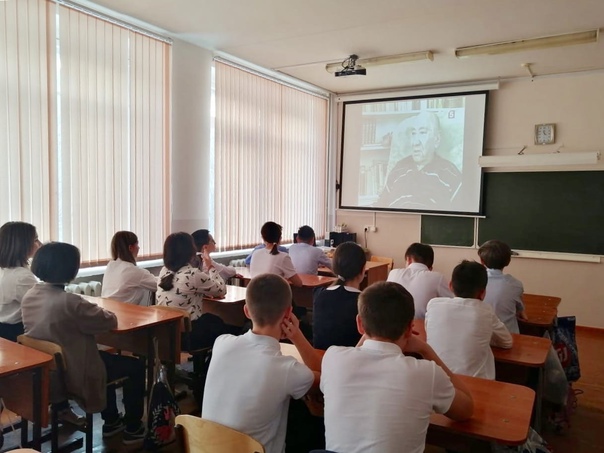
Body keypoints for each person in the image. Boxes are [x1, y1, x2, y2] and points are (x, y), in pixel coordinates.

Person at [320, 281, 473, 453]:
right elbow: (466, 409)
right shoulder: (427, 373)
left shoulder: (332, 358)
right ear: (409, 329)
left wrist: (368, 334)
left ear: (360, 324)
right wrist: (426, 349)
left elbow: (354, 357)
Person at [21, 242, 146, 444]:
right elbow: (109, 321)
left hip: (52, 373)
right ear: (70, 269)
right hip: (78, 372)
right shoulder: (70, 302)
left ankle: (112, 420)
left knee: (106, 360)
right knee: (135, 366)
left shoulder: (30, 296)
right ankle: (133, 427)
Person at [202, 274, 320, 453]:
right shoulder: (287, 370)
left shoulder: (221, 343)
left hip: (205, 447)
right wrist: (297, 336)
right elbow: (324, 380)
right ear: (288, 313)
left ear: (246, 311)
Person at [425, 260, 513, 379]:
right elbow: (507, 342)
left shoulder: (433, 305)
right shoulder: (485, 311)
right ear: (483, 293)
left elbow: (429, 330)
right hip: (474, 384)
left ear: (450, 286)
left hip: (436, 378)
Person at [156, 232, 227, 349]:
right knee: (217, 322)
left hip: (166, 333)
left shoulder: (164, 271)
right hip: (187, 336)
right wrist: (210, 266)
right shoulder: (193, 274)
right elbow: (221, 289)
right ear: (190, 251)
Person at [377, 111, 461, 209]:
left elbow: (461, 212)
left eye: (422, 132)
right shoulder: (399, 168)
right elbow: (380, 206)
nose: (415, 142)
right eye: (413, 133)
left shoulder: (450, 174)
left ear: (437, 139)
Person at [313, 241, 365, 349]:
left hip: (321, 356)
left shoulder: (319, 294)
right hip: (352, 358)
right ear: (362, 270)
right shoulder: (366, 302)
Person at [387, 242, 452, 319]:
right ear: (430, 268)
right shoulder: (437, 277)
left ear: (408, 259)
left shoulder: (393, 273)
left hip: (392, 322)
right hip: (422, 323)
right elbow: (453, 302)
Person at [0, 221, 40, 342]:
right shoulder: (22, 277)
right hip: (15, 333)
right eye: (35, 240)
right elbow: (39, 307)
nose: (39, 244)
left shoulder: (5, 271)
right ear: (23, 245)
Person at [478, 239, 527, 334]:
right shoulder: (516, 285)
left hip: (481, 334)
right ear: (508, 261)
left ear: (482, 261)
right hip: (509, 335)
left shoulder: (474, 282)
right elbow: (520, 312)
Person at [101, 231, 157, 305]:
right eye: (137, 244)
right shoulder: (133, 271)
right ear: (130, 248)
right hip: (123, 311)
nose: (139, 247)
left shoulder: (111, 265)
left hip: (107, 309)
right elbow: (159, 285)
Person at [249, 222, 302, 286]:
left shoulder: (255, 253)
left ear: (262, 237)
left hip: (255, 291)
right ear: (280, 238)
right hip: (273, 292)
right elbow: (298, 283)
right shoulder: (283, 257)